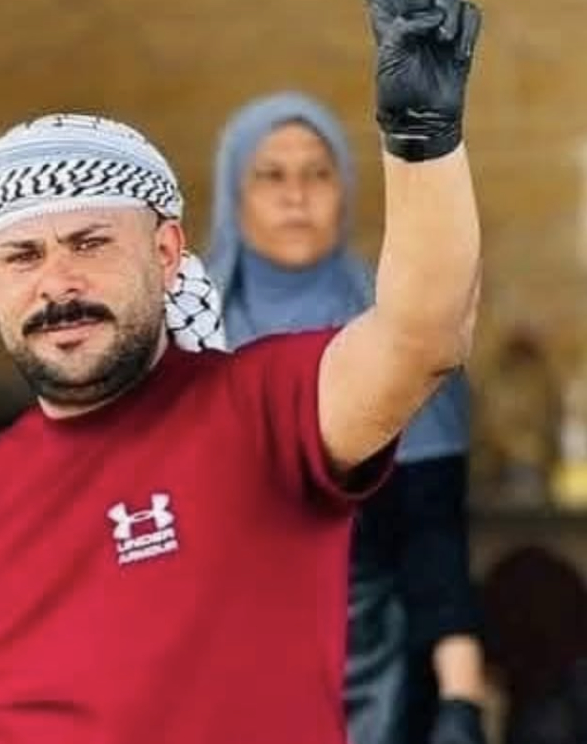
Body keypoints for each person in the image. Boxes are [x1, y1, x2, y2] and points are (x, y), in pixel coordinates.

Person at [0, 0, 484, 744]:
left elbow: (423, 335)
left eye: (90, 243)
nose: (58, 282)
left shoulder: (263, 410)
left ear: (169, 251)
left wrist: (424, 140)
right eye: (23, 257)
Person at [206, 90, 488, 744]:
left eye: (318, 173)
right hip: (212, 674)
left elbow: (433, 535)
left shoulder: (404, 335)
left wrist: (462, 698)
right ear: (232, 194)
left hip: (372, 676)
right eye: (270, 175)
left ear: (347, 191)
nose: (296, 196)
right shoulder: (184, 344)